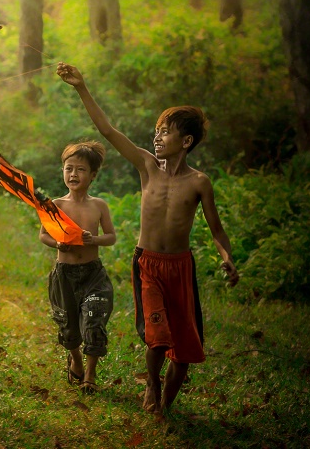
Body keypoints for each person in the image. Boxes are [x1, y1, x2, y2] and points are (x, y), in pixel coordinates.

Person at [56, 62, 239, 414]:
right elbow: (108, 131)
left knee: (184, 352)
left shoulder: (199, 182)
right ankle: (151, 387)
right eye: (156, 131)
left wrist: (227, 257)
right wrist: (81, 87)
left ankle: (165, 407)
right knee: (157, 339)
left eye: (165, 132)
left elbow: (217, 229)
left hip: (180, 267)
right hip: (148, 264)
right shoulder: (146, 166)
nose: (157, 137)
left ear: (186, 141)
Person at [40, 140, 117, 395]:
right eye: (68, 168)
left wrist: (93, 240)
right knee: (69, 325)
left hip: (92, 273)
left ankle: (91, 373)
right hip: (64, 275)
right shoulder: (56, 206)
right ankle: (75, 359)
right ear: (62, 171)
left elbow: (111, 237)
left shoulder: (99, 206)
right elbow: (43, 235)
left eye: (80, 170)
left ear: (93, 175)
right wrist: (58, 244)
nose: (73, 174)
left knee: (94, 319)